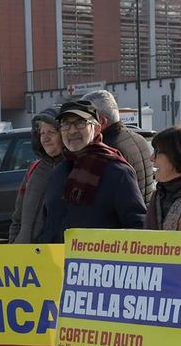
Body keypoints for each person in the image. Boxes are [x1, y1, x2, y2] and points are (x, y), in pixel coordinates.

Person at [36, 100, 145, 244]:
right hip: (56, 263)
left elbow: (138, 227)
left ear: (97, 128)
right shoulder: (58, 172)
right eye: (66, 124)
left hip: (99, 264)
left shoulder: (118, 173)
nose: (72, 130)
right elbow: (49, 223)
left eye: (81, 123)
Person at [82, 89, 155, 203]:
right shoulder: (140, 139)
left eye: (84, 120)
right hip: (144, 214)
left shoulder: (106, 149)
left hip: (121, 217)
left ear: (101, 121)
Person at [8, 108, 62, 243]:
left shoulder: (74, 169)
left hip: (53, 259)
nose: (45, 138)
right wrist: (13, 244)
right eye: (42, 133)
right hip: (25, 259)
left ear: (63, 134)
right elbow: (18, 217)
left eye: (51, 132)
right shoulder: (34, 168)